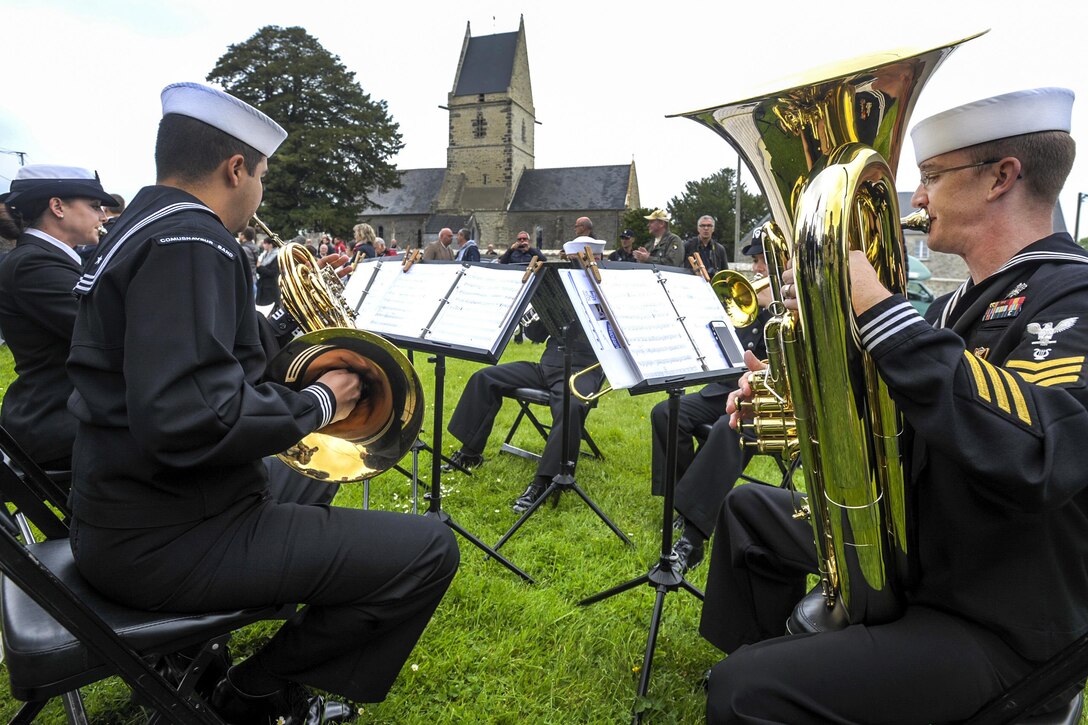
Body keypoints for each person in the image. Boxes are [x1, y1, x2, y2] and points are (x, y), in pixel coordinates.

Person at [66, 81, 459, 723]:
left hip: (132, 511)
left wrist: (276, 334)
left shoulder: (143, 226)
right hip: (167, 539)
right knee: (428, 551)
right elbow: (194, 419)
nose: (261, 196)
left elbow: (183, 360)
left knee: (321, 474)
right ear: (236, 168)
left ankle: (209, 655)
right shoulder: (194, 240)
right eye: (262, 178)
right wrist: (320, 403)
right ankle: (255, 693)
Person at [702, 87, 1088, 724]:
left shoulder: (1072, 298)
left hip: (996, 617)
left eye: (934, 176)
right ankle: (791, 669)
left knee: (744, 692)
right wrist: (793, 390)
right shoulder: (955, 305)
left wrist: (880, 312)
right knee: (748, 512)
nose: (918, 199)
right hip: (923, 549)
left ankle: (770, 687)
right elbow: (911, 416)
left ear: (1002, 177)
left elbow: (1039, 450)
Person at [444, 224, 605, 514]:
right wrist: (541, 304)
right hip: (547, 366)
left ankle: (545, 481)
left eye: (581, 260)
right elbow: (534, 335)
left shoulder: (608, 291)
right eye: (572, 260)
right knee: (485, 377)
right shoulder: (562, 288)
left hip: (583, 369)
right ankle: (470, 452)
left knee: (569, 406)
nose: (575, 264)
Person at [650, 234, 771, 573]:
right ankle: (683, 500)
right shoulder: (746, 302)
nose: (756, 267)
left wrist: (773, 307)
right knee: (665, 413)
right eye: (756, 261)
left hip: (763, 395)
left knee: (729, 428)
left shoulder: (791, 303)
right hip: (722, 388)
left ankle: (693, 533)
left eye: (762, 261)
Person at [0, 165, 113, 471]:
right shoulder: (33, 262)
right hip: (57, 419)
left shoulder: (49, 257)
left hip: (72, 411)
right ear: (57, 206)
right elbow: (105, 331)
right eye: (93, 206)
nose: (103, 216)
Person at [255, 235, 280, 306]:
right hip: (262, 285)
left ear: (270, 245)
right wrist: (258, 267)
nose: (263, 245)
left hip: (270, 287)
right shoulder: (264, 255)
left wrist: (260, 267)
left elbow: (273, 272)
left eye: (265, 243)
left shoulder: (276, 256)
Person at [238, 224, 259, 296]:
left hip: (246, 283)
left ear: (243, 236)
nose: (239, 236)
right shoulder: (255, 248)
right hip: (253, 280)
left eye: (240, 234)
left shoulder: (244, 249)